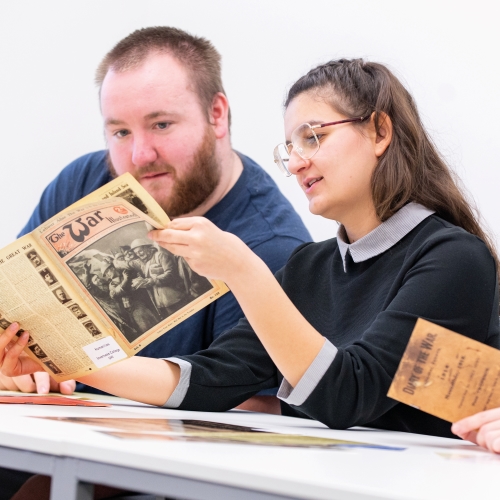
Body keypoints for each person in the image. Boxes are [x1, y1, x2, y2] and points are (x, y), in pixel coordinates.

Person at [3, 58, 498, 447]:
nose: (297, 162)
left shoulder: (453, 259)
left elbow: (348, 394)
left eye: (314, 136)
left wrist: (244, 271)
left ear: (379, 132)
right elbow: (211, 379)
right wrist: (61, 364)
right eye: (289, 147)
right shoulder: (313, 266)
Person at [0, 26, 310, 397]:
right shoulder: (83, 182)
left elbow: (249, 408)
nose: (139, 156)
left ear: (217, 114)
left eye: (161, 125)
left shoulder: (271, 249)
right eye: (120, 132)